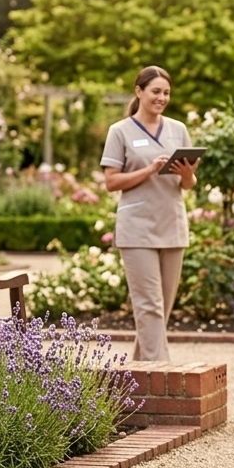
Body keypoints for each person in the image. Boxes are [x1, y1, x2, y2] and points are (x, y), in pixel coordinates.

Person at [101, 66, 199, 362]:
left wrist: (186, 174)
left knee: (162, 310)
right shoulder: (120, 131)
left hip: (172, 226)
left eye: (166, 92)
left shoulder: (178, 129)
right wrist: (149, 170)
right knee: (149, 307)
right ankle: (164, 373)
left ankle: (139, 373)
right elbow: (110, 182)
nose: (162, 98)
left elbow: (188, 184)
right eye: (156, 91)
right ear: (139, 91)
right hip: (137, 230)